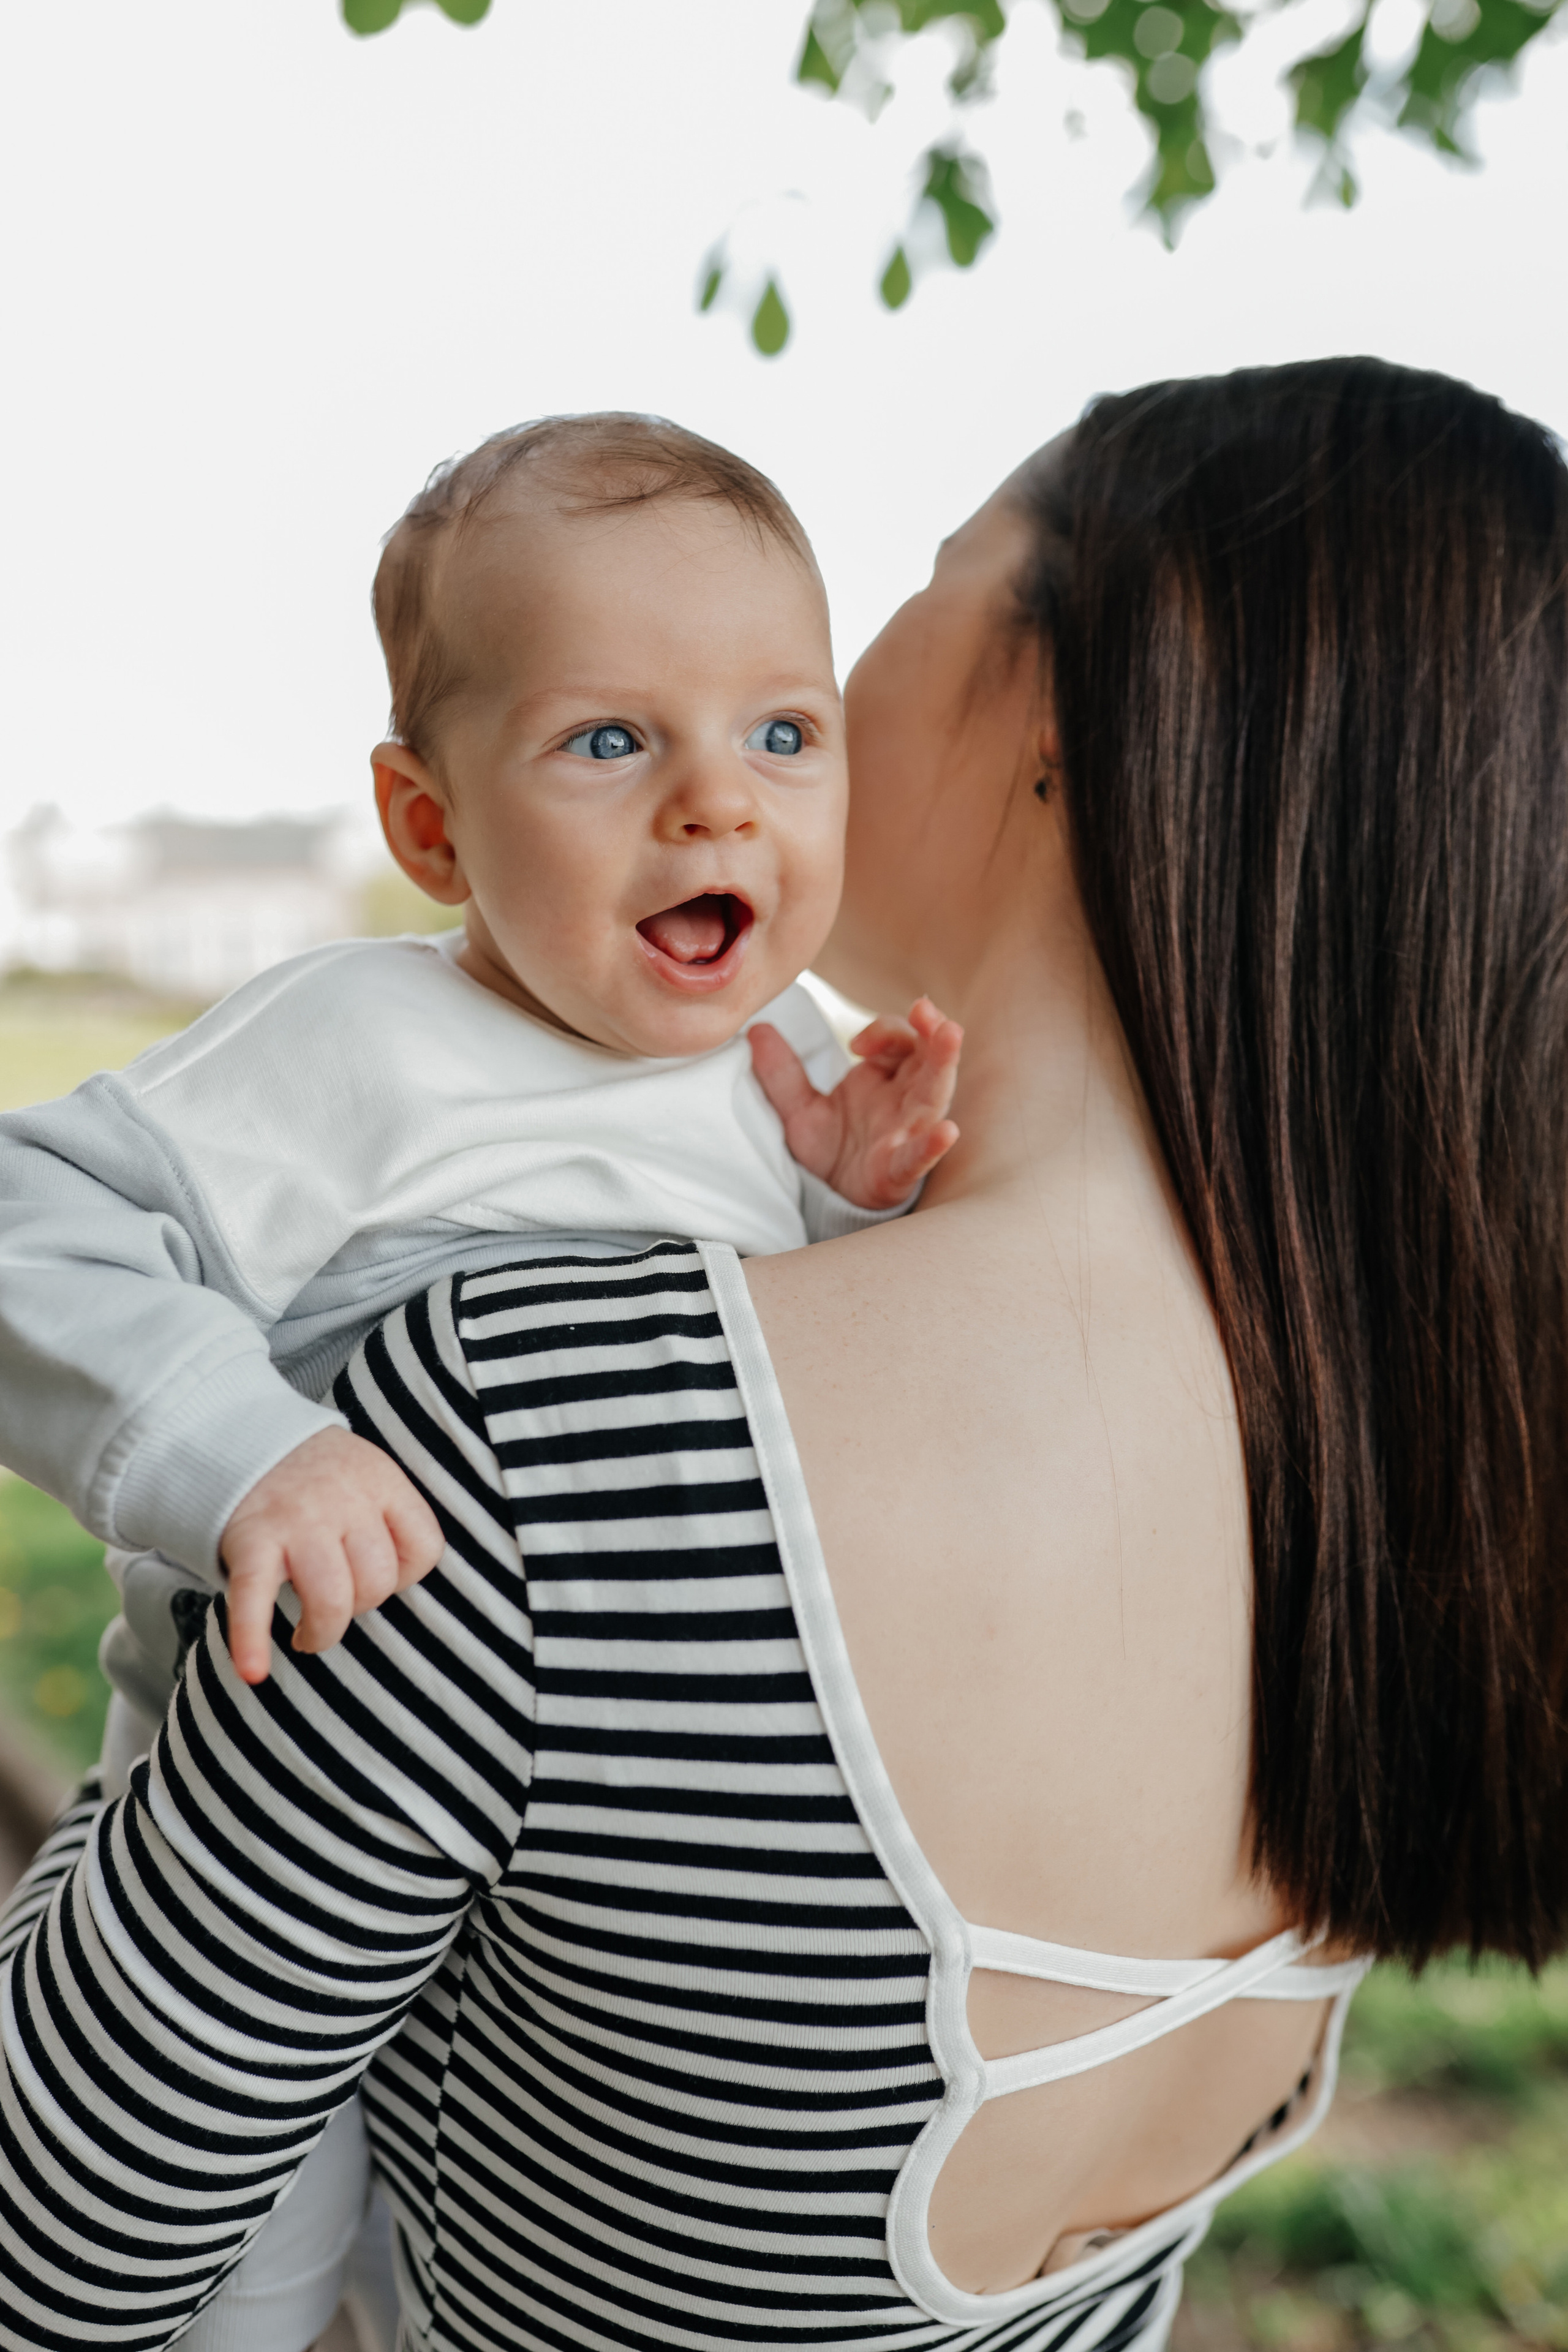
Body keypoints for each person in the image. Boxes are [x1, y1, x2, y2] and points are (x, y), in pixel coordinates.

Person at [5, 356, 1566, 2352]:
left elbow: (64, 2245)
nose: (735, 774)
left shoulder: (534, 1434)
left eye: (925, 578)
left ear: (1060, 712)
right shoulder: (1399, 1478)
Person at [0, 411, 960, 2351]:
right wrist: (244, 1450)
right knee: (226, 2277)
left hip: (585, 1904)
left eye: (784, 733)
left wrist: (855, 1220)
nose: (717, 806)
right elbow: (29, 1217)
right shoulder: (364, 1040)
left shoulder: (790, 1063)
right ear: (431, 826)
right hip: (273, 1848)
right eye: (613, 741)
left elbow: (788, 1426)